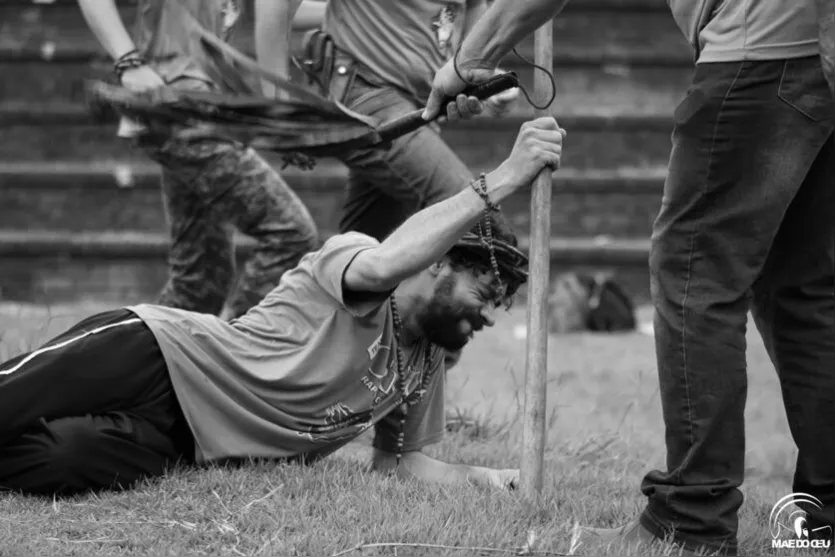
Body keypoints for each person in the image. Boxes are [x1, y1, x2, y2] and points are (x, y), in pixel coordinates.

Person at [423, 0, 835, 555]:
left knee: (695, 274)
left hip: (760, 54)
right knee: (797, 289)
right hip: (816, 61)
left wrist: (466, 60)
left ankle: (693, 520)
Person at [0, 116, 565, 496]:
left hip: (187, 442)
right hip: (161, 353)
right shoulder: (357, 262)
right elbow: (389, 264)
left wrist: (499, 480)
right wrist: (506, 177)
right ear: (440, 262)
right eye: (484, 294)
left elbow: (400, 464)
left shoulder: (421, 364)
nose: (488, 316)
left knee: (58, 461)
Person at [76, 0, 320, 319]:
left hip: (204, 110)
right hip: (172, 107)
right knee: (290, 232)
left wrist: (362, 11)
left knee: (199, 286)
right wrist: (128, 62)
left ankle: (127, 363)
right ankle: (238, 351)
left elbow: (279, 9)